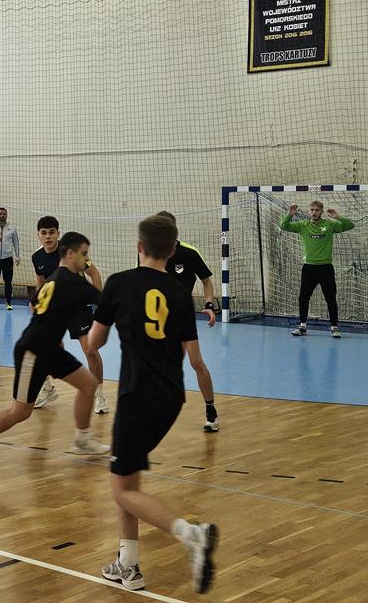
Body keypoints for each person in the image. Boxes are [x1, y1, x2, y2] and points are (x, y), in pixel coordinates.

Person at [85, 214, 218, 593]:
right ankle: (128, 565)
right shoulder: (180, 293)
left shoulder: (119, 283)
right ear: (173, 251)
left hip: (136, 395)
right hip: (171, 396)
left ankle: (191, 534)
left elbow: (94, 343)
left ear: (139, 246)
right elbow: (188, 352)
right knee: (127, 478)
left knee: (122, 490)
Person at [0, 231, 110, 468]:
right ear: (70, 254)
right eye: (84, 253)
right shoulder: (72, 281)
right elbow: (107, 302)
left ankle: (82, 439)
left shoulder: (54, 279)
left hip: (50, 349)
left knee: (89, 385)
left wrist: (55, 335)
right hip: (33, 352)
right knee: (20, 411)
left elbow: (38, 307)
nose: (86, 258)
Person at [30, 215, 108, 414]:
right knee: (44, 346)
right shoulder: (37, 257)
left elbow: (94, 274)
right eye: (44, 233)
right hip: (54, 309)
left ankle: (99, 394)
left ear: (58, 233)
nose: (48, 236)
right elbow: (41, 283)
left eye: (52, 232)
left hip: (78, 307)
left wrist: (97, 302)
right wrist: (37, 308)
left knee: (90, 349)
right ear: (38, 235)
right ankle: (47, 387)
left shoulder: (71, 252)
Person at [156, 211, 220, 432]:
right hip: (158, 317)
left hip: (182, 316)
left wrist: (209, 305)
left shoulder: (189, 253)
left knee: (196, 362)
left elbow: (207, 281)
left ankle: (211, 410)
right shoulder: (151, 253)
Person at [278, 200, 355, 337]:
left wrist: (338, 217)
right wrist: (289, 215)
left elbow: (350, 225)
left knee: (330, 298)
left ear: (321, 211)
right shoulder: (303, 225)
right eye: (312, 210)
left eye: (317, 210)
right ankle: (302, 326)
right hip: (309, 268)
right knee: (303, 297)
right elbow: (284, 226)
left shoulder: (329, 225)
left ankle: (334, 327)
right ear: (309, 211)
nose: (314, 212)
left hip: (326, 268)